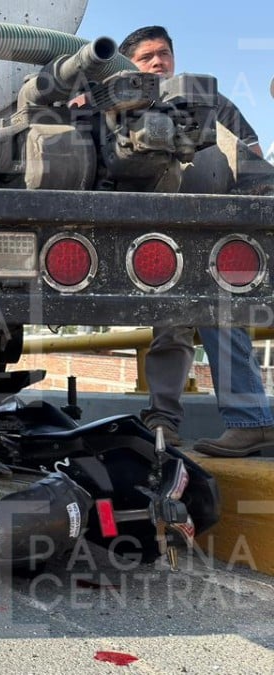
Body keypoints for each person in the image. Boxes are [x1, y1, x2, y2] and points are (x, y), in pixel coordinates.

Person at [120, 25, 274, 457]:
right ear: (127, 66)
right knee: (170, 318)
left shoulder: (207, 99)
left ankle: (250, 422)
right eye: (146, 56)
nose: (157, 62)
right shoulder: (117, 107)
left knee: (218, 310)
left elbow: (253, 158)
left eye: (163, 53)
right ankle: (164, 423)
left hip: (213, 223)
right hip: (157, 229)